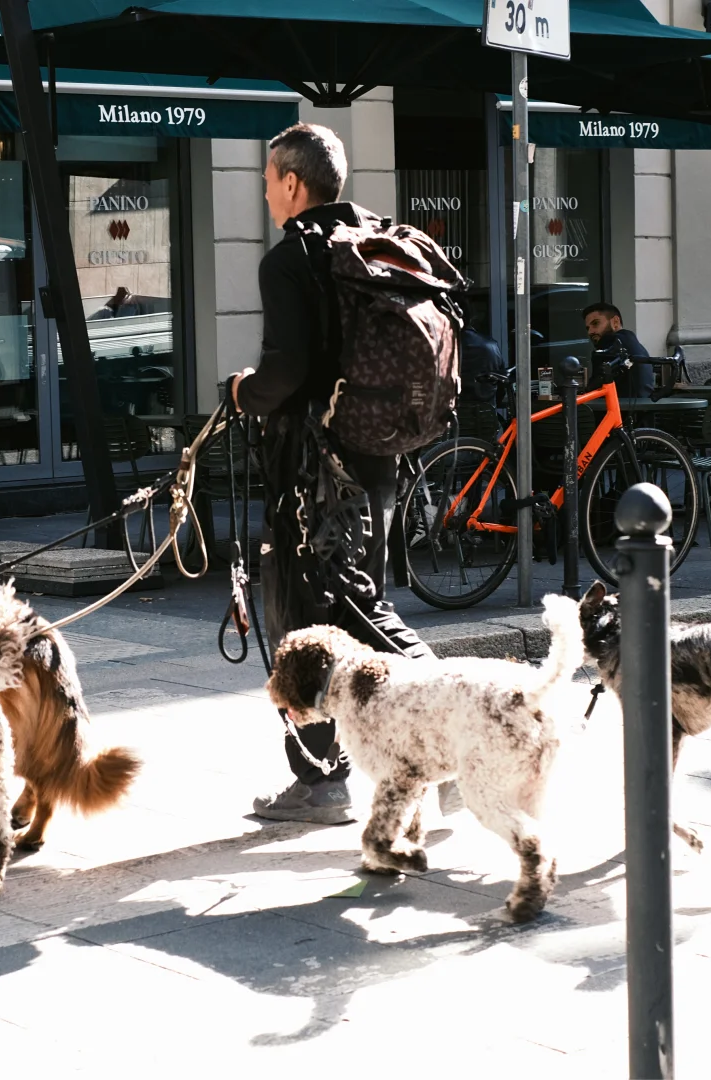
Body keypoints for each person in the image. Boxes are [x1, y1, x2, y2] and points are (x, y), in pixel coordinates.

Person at [228, 123, 435, 824]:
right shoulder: (369, 241)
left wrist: (240, 392)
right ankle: (358, 762)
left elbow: (285, 375)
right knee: (358, 598)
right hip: (376, 457)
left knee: (309, 615)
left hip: (314, 468)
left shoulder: (291, 260)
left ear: (292, 183)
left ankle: (326, 776)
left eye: (266, 180)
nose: (264, 192)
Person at [582, 302, 655, 398]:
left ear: (615, 322)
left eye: (596, 323)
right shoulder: (635, 344)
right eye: (588, 328)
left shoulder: (610, 343)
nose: (590, 332)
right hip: (641, 408)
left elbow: (595, 389)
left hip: (621, 409)